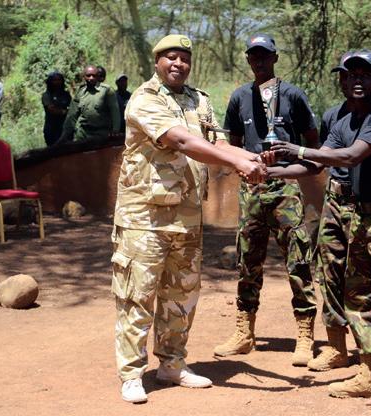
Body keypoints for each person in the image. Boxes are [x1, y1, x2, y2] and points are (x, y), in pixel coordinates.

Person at [112, 34, 268, 404]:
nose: (178, 64)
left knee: (181, 295)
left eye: (184, 58)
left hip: (186, 217)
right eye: (170, 57)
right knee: (137, 296)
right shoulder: (145, 99)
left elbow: (216, 142)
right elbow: (181, 141)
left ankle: (172, 364)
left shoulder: (199, 100)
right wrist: (237, 162)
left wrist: (251, 156)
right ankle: (132, 374)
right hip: (144, 218)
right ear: (157, 62)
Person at [270, 50, 371, 415]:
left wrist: (296, 148)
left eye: (365, 73)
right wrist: (269, 171)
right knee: (357, 294)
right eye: (351, 73)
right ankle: (370, 373)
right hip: (360, 216)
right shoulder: (344, 120)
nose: (357, 79)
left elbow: (351, 156)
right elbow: (316, 162)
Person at [213, 33, 319, 367]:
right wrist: (246, 165)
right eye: (253, 56)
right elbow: (232, 145)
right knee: (248, 261)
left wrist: (291, 164)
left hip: (285, 188)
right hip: (252, 190)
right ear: (248, 59)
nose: (259, 61)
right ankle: (244, 332)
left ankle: (305, 335)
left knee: (298, 261)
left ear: (275, 58)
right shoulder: (239, 97)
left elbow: (313, 143)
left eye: (264, 55)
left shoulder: (293, 95)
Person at [305, 51, 355, 372]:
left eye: (355, 75)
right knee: (329, 272)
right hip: (335, 201)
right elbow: (322, 159)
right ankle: (337, 347)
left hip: (368, 204)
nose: (348, 81)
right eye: (343, 76)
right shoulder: (332, 116)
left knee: (369, 277)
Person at [57, 65, 120, 143]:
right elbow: (72, 115)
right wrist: (65, 135)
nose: (91, 78)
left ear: (97, 77)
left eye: (94, 76)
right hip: (83, 133)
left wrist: (115, 130)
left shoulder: (107, 91)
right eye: (88, 75)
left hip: (101, 133)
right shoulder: (80, 92)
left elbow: (115, 112)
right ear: (84, 77)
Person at [41, 71, 72, 146]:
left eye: (59, 80)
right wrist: (65, 112)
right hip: (51, 128)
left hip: (65, 127)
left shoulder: (66, 94)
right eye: (54, 80)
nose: (57, 82)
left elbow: (73, 107)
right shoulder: (46, 95)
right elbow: (52, 110)